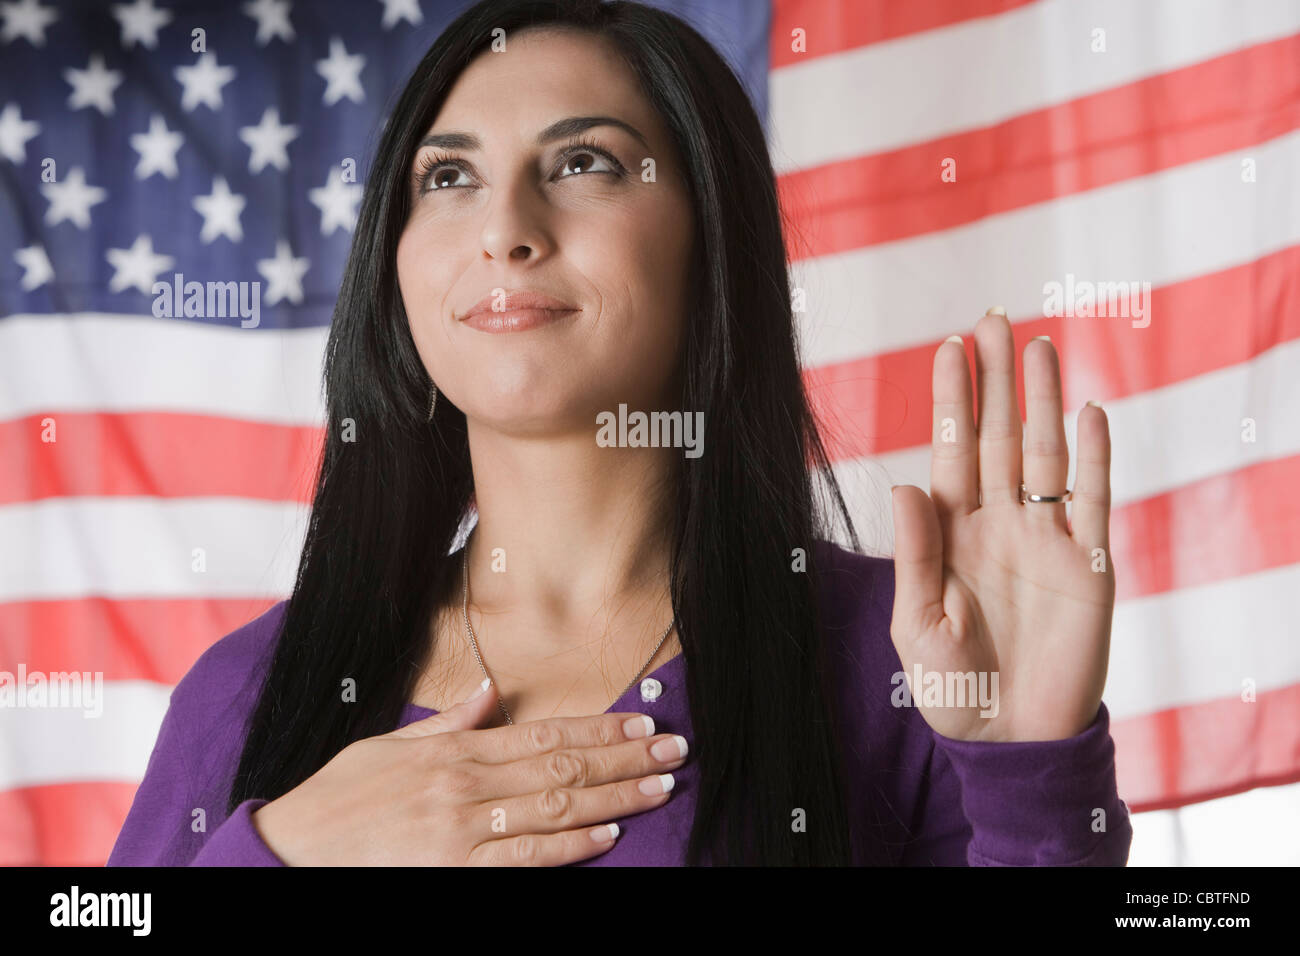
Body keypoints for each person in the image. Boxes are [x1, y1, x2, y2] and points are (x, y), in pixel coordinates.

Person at [107, 0, 1131, 867]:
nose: (504, 225)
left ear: (710, 238)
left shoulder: (909, 659)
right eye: (447, 178)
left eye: (585, 161)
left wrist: (1033, 769)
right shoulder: (244, 694)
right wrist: (282, 850)